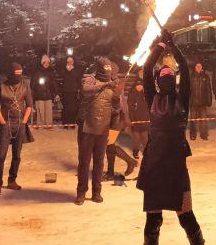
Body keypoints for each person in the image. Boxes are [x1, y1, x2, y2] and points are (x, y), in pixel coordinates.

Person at [137, 33, 215, 245]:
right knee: (159, 220)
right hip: (161, 165)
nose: (167, 78)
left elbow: (151, 69)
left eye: (168, 76)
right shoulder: (165, 98)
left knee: (182, 218)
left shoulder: (171, 98)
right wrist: (167, 46)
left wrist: (165, 47)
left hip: (168, 166)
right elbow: (154, 69)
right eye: (166, 75)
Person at [76, 58, 119, 204]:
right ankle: (81, 192)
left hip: (103, 128)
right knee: (84, 162)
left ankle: (97, 192)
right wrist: (106, 84)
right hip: (87, 128)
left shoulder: (113, 83)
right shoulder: (89, 79)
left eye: (109, 68)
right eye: (105, 68)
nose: (107, 71)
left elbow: (116, 108)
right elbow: (86, 91)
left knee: (99, 162)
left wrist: (117, 97)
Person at [0, 62, 34, 195]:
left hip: (19, 124)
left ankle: (12, 180)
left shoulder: (25, 86)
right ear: (10, 73)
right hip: (5, 124)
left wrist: (24, 122)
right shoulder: (1, 86)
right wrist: (3, 122)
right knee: (1, 155)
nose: (18, 76)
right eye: (16, 73)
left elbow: (29, 105)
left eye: (20, 73)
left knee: (17, 155)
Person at [126, 73, 151, 157]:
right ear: (135, 86)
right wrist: (132, 120)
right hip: (135, 120)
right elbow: (130, 109)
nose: (139, 87)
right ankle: (135, 151)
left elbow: (149, 107)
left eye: (141, 85)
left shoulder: (145, 95)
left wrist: (149, 118)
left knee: (145, 138)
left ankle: (146, 151)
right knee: (136, 138)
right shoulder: (132, 95)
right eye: (138, 86)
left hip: (145, 120)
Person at [188, 61, 212, 141]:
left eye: (200, 66)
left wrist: (209, 100)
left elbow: (208, 90)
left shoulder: (206, 77)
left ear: (202, 67)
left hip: (203, 102)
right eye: (197, 66)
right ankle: (193, 134)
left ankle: (203, 134)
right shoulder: (191, 76)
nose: (198, 67)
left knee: (203, 120)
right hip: (193, 102)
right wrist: (188, 100)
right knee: (193, 120)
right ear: (195, 67)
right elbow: (188, 90)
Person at [32, 55, 56, 128]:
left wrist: (55, 93)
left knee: (48, 111)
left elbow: (53, 84)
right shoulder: (37, 73)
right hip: (39, 95)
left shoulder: (50, 73)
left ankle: (49, 125)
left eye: (48, 62)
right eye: (45, 62)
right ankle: (40, 124)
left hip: (48, 94)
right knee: (40, 111)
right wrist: (36, 90)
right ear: (42, 63)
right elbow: (32, 84)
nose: (46, 64)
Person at [58, 55, 82, 126]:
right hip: (65, 91)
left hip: (73, 91)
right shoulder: (63, 69)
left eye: (71, 61)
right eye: (68, 61)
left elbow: (78, 79)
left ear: (73, 62)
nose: (69, 63)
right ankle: (65, 122)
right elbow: (61, 77)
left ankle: (72, 122)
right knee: (66, 107)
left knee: (73, 108)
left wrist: (72, 70)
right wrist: (66, 70)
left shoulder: (76, 70)